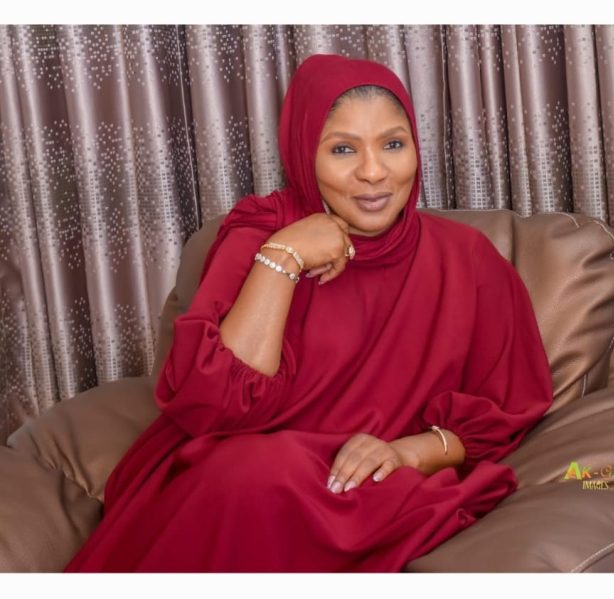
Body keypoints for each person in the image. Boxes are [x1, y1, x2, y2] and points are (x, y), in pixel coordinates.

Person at [63, 53, 554, 573]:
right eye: (343, 149)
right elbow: (217, 409)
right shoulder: (258, 233)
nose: (373, 172)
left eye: (393, 144)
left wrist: (409, 452)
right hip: (235, 477)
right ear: (303, 153)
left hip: (365, 484)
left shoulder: (468, 259)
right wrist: (284, 256)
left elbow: (504, 412)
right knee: (256, 474)